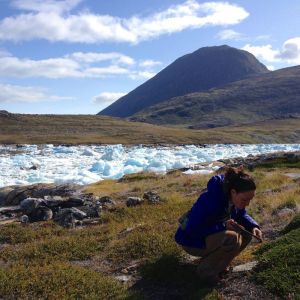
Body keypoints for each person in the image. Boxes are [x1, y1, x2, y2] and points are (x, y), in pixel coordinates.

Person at [175, 166, 262, 284]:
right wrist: (223, 226)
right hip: (192, 241)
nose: (247, 204)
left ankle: (219, 266)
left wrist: (254, 226)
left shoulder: (231, 198)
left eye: (250, 200)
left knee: (246, 234)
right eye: (244, 200)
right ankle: (205, 272)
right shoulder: (210, 201)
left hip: (207, 237)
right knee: (232, 238)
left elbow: (241, 214)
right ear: (233, 192)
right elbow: (192, 229)